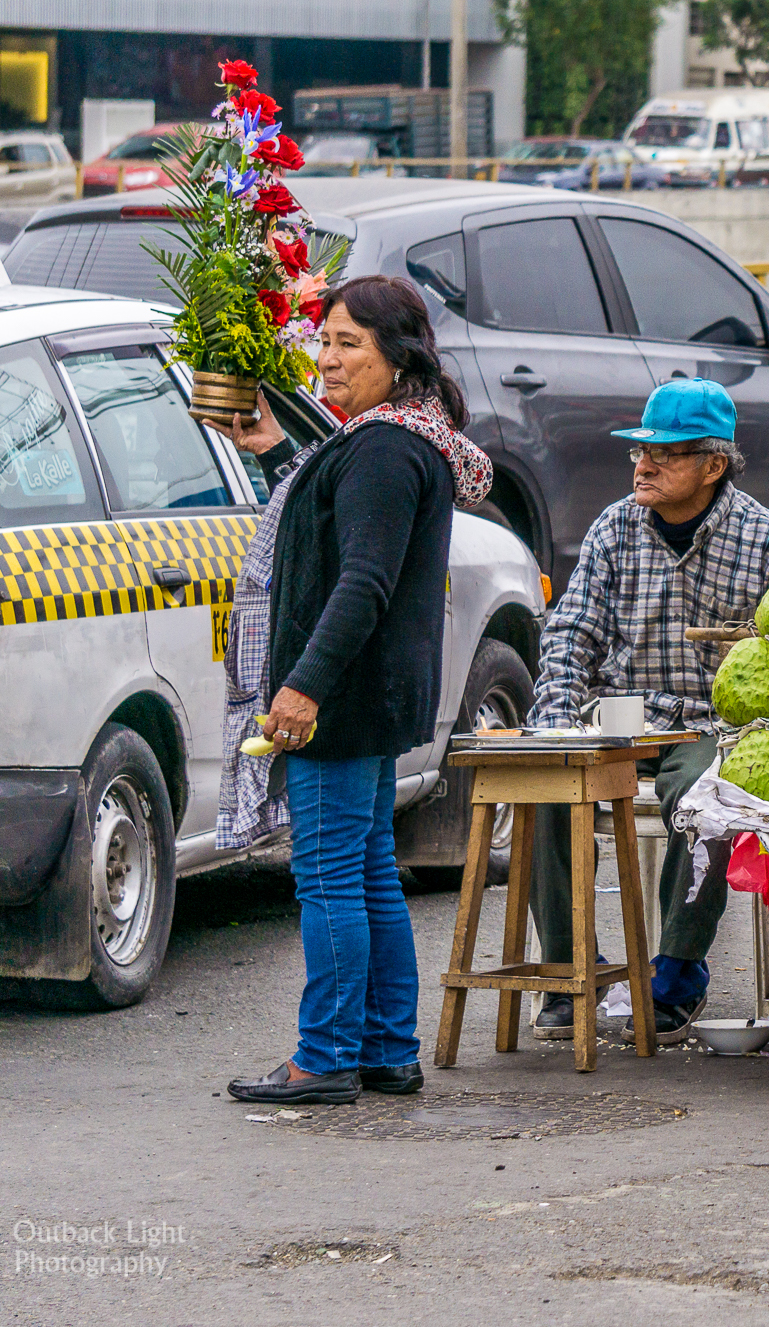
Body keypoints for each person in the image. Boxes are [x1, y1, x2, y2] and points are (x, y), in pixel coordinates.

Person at [214, 275, 494, 1105]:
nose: (327, 360)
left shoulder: (380, 449)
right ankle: (385, 1048)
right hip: (375, 693)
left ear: (396, 356)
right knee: (369, 871)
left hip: (344, 696)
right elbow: (332, 533)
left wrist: (301, 688)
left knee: (331, 877)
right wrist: (274, 449)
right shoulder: (400, 438)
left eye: (348, 345)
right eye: (324, 340)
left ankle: (326, 1056)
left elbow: (363, 580)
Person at [523, 378, 769, 1043]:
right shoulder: (615, 527)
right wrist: (555, 717)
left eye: (665, 454)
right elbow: (572, 632)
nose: (643, 466)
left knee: (696, 796)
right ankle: (567, 969)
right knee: (545, 781)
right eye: (639, 452)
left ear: (713, 464)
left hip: (713, 725)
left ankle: (676, 970)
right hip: (625, 713)